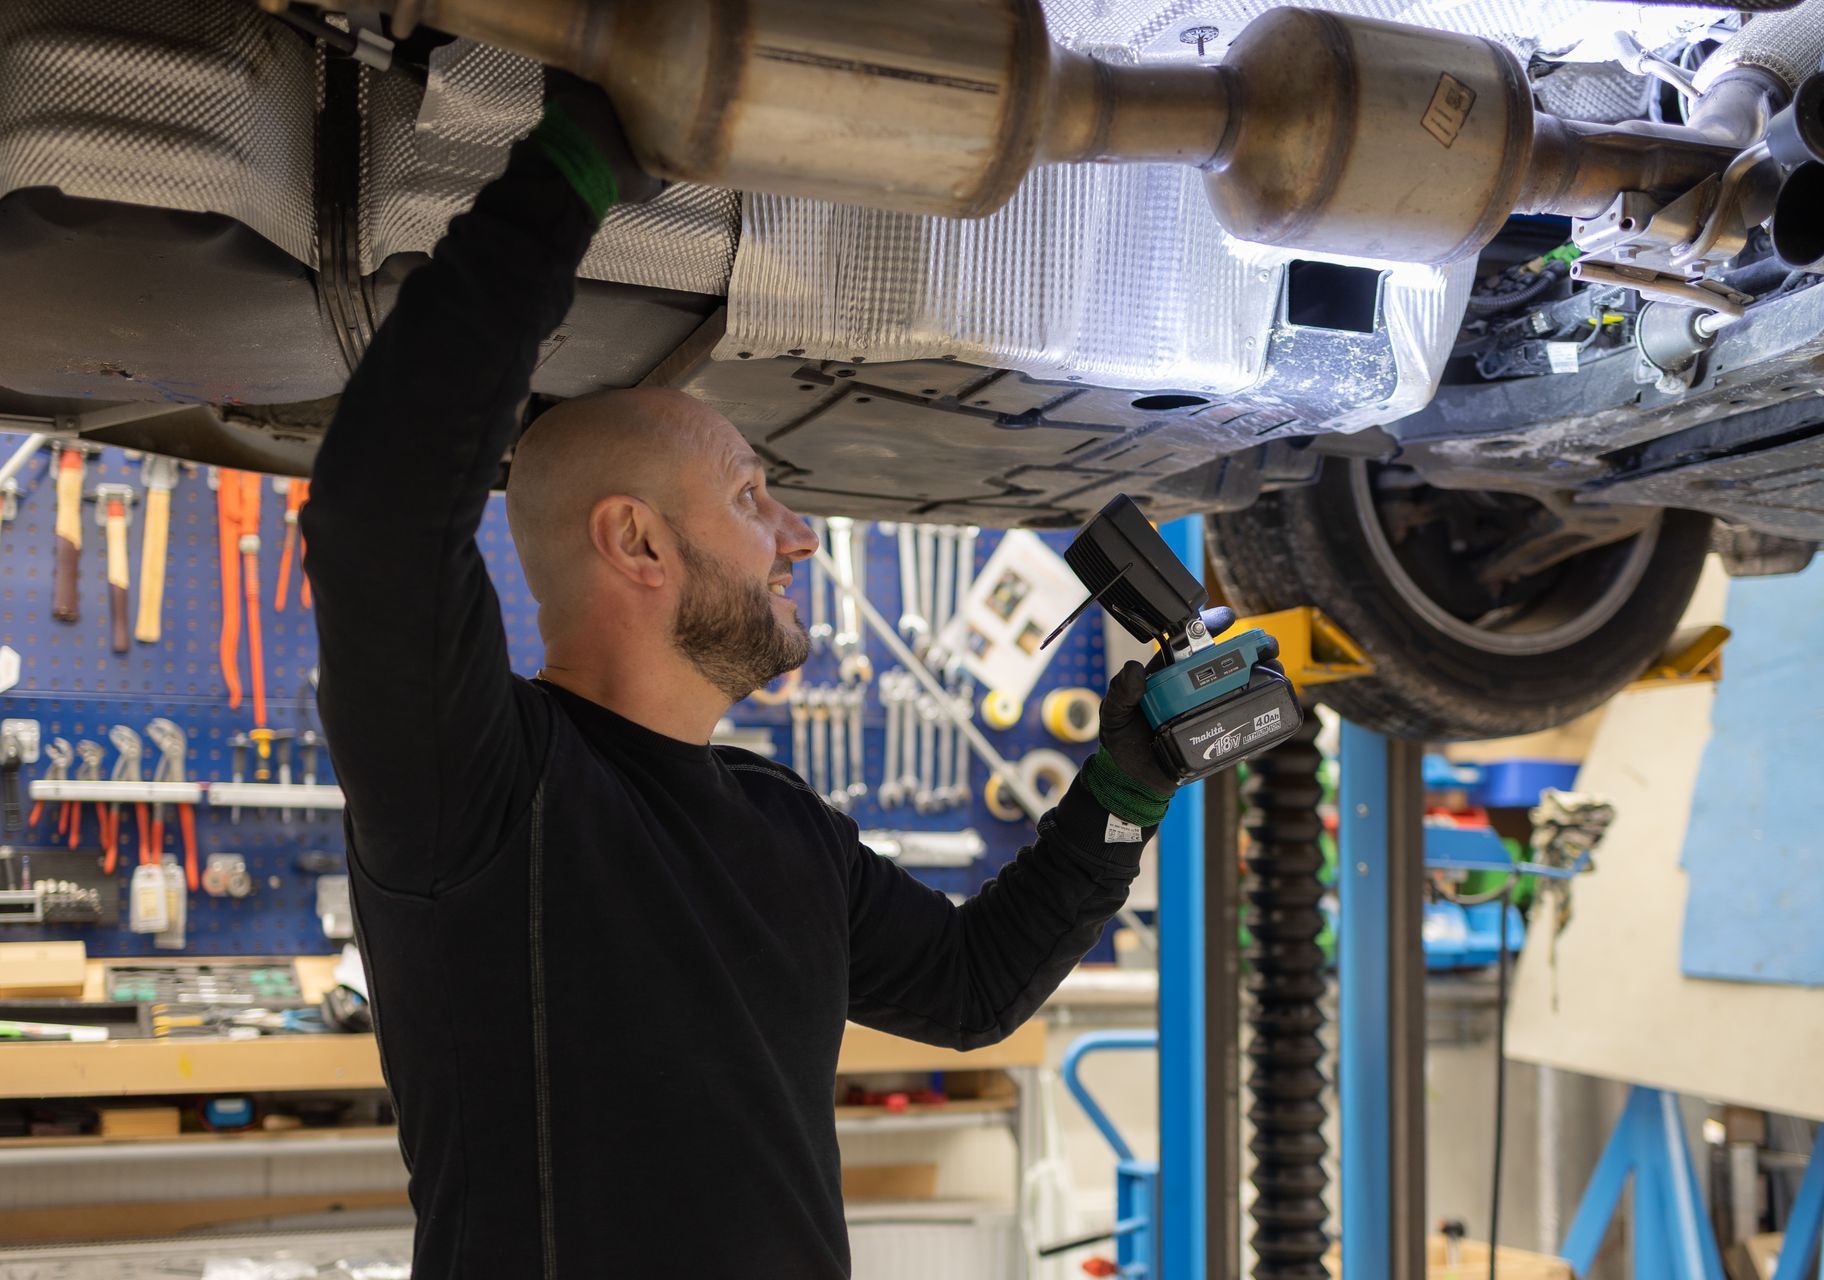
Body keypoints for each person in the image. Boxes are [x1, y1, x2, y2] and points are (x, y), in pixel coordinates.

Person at [303, 78, 1195, 1279]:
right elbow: (379, 511)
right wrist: (568, 168)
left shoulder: (781, 823)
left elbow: (973, 987)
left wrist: (1124, 789)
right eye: (747, 495)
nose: (801, 535)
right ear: (637, 542)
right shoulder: (478, 791)